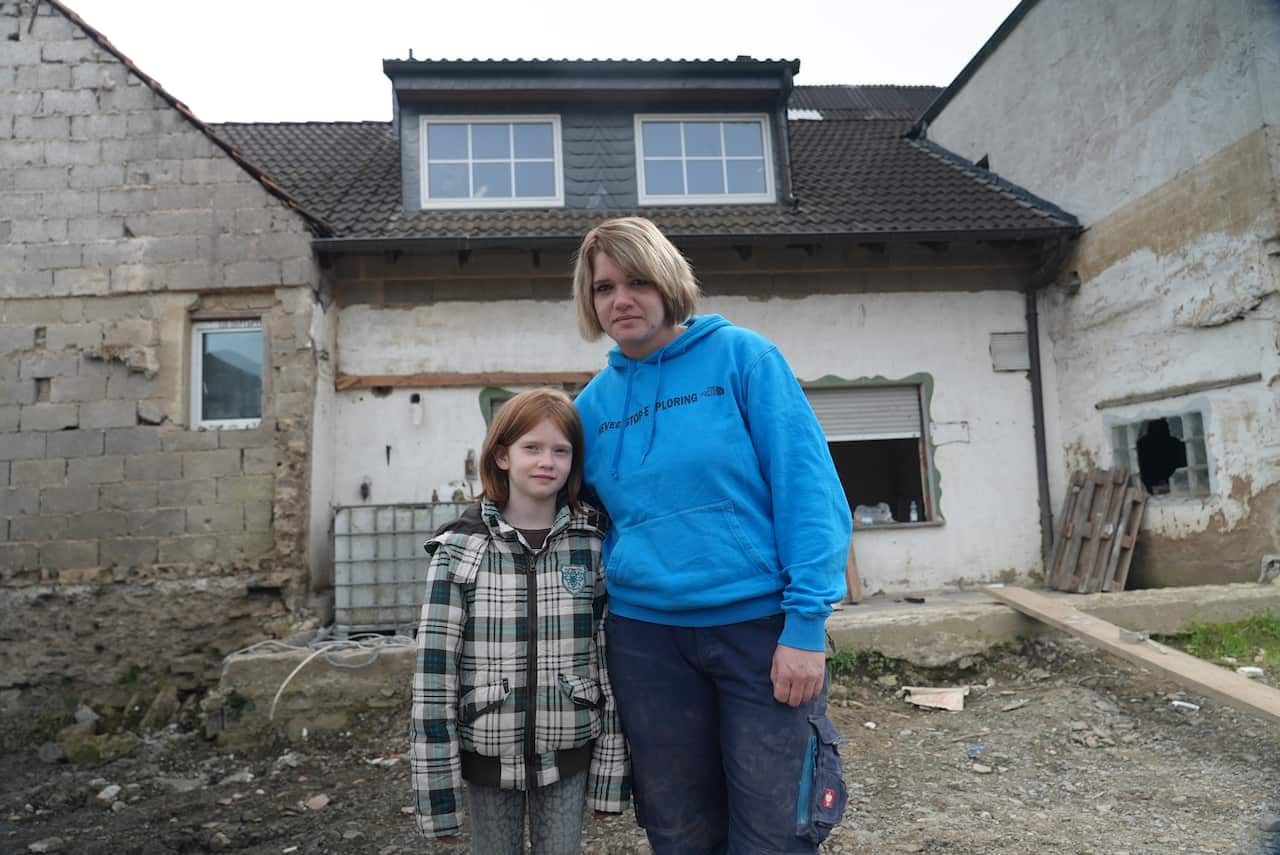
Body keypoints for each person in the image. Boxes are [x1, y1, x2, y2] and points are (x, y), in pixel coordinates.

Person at [571, 216, 853, 854]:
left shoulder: (743, 358)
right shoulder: (591, 407)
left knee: (774, 830)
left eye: (637, 281)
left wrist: (806, 624)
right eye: (603, 288)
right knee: (678, 832)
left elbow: (808, 490)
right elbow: (564, 508)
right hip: (646, 644)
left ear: (668, 282)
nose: (621, 300)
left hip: (759, 633)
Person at [409, 388, 629, 854]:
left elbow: (609, 662)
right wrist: (439, 801)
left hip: (568, 755)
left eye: (560, 450)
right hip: (486, 755)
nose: (546, 460)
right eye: (532, 447)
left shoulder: (592, 546)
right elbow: (433, 682)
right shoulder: (458, 551)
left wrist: (610, 777)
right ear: (502, 455)